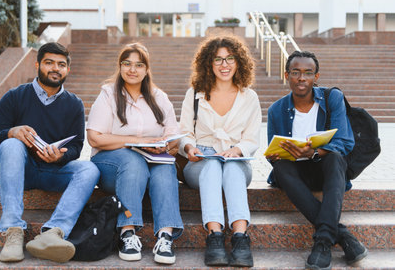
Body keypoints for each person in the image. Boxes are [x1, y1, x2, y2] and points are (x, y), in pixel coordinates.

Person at [0, 42, 100, 263]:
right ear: (37, 65)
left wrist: (61, 156)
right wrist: (12, 132)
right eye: (49, 63)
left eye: (61, 64)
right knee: (10, 144)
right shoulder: (15, 96)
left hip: (54, 172)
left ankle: (53, 232)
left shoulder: (74, 104)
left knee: (89, 168)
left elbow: (76, 147)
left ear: (68, 70)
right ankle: (13, 231)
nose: (55, 68)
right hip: (21, 171)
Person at [266, 51, 368, 270]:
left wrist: (313, 153)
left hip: (327, 171)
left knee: (335, 158)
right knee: (280, 168)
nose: (301, 78)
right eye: (295, 72)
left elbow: (344, 141)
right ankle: (343, 236)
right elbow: (272, 153)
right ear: (287, 75)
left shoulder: (333, 98)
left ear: (316, 76)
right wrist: (276, 154)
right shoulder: (276, 109)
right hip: (295, 174)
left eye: (307, 73)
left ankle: (322, 242)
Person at [86, 43, 183, 264]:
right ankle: (127, 232)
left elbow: (173, 136)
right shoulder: (108, 94)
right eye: (127, 64)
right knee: (132, 160)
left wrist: (164, 147)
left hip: (151, 164)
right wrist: (135, 142)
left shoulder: (159, 97)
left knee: (166, 166)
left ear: (147, 69)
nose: (133, 69)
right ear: (120, 67)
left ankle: (165, 236)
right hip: (111, 166)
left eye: (139, 65)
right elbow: (95, 138)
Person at [179, 35, 261, 267]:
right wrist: (189, 147)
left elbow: (252, 138)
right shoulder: (194, 94)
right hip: (201, 160)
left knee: (232, 169)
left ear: (239, 62)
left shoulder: (249, 97)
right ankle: (214, 236)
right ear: (208, 63)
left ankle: (240, 237)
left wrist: (237, 150)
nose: (224, 65)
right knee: (213, 165)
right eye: (218, 60)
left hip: (236, 158)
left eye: (229, 59)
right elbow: (184, 132)